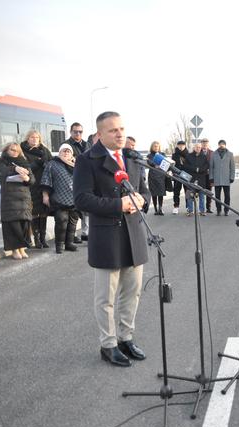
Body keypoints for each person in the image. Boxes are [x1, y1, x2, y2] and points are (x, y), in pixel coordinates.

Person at [73, 111, 150, 367]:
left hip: (134, 234)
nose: (119, 134)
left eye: (121, 129)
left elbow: (144, 190)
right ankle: (108, 344)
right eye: (113, 130)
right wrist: (120, 204)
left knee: (133, 292)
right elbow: (82, 200)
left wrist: (142, 200)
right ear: (99, 134)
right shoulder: (87, 160)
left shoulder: (131, 157)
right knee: (106, 298)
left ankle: (126, 338)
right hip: (108, 235)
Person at [0, 142, 35, 260]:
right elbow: (4, 171)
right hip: (10, 198)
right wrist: (15, 168)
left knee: (24, 224)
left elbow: (32, 180)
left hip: (24, 198)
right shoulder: (2, 162)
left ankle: (22, 248)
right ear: (6, 150)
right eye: (12, 150)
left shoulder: (24, 162)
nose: (15, 152)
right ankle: (14, 249)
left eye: (17, 150)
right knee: (12, 224)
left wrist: (27, 178)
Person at [40, 144, 80, 254]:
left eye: (68, 151)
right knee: (61, 222)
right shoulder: (52, 164)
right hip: (59, 198)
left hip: (74, 199)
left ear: (72, 154)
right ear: (59, 152)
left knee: (73, 222)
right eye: (64, 151)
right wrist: (45, 195)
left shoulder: (77, 165)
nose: (66, 153)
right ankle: (59, 245)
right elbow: (46, 180)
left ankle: (69, 243)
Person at [22, 129, 53, 248]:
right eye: (32, 137)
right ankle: (36, 239)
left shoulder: (44, 150)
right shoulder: (23, 150)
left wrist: (46, 164)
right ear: (27, 138)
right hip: (31, 185)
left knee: (44, 212)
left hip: (44, 184)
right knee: (34, 212)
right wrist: (36, 164)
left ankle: (43, 238)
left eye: (37, 138)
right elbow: (23, 167)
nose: (34, 140)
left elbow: (51, 164)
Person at [64, 122, 90, 244]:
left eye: (80, 132)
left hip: (87, 179)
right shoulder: (66, 144)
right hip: (71, 178)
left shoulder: (87, 144)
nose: (78, 134)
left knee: (86, 208)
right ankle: (72, 234)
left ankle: (86, 233)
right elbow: (63, 160)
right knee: (72, 208)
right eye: (75, 131)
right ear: (71, 132)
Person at [182, 142, 209, 216]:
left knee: (202, 196)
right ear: (194, 148)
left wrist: (200, 170)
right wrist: (195, 169)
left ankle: (202, 211)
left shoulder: (204, 156)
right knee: (189, 196)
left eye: (200, 147)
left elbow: (206, 166)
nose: (198, 148)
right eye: (197, 147)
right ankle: (190, 210)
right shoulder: (189, 156)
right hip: (190, 179)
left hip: (201, 179)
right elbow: (185, 166)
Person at [210, 139, 234, 216]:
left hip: (226, 178)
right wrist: (211, 177)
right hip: (217, 179)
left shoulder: (230, 154)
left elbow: (232, 167)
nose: (222, 145)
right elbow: (211, 167)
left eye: (223, 144)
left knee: (227, 196)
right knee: (217, 196)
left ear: (225, 145)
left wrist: (232, 177)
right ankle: (218, 210)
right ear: (218, 145)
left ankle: (226, 210)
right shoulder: (214, 154)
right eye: (220, 144)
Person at [146, 141, 168, 215]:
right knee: (154, 193)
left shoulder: (163, 154)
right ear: (152, 147)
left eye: (157, 146)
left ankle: (160, 209)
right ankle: (155, 209)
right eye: (155, 146)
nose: (156, 147)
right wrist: (155, 164)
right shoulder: (149, 155)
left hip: (161, 175)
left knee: (161, 192)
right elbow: (149, 163)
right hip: (152, 175)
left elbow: (166, 163)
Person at [171, 140, 188, 214]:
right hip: (177, 174)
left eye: (182, 145)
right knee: (176, 191)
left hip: (185, 175)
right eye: (179, 145)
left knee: (187, 191)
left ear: (185, 146)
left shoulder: (188, 154)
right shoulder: (174, 155)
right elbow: (172, 165)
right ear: (177, 146)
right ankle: (176, 206)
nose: (181, 146)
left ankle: (188, 207)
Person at [201, 138, 214, 212]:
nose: (204, 144)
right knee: (201, 191)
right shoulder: (198, 151)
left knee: (209, 191)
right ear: (201, 144)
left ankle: (208, 207)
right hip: (201, 175)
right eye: (203, 143)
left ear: (208, 144)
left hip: (209, 175)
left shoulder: (212, 153)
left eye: (206, 143)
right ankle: (202, 208)